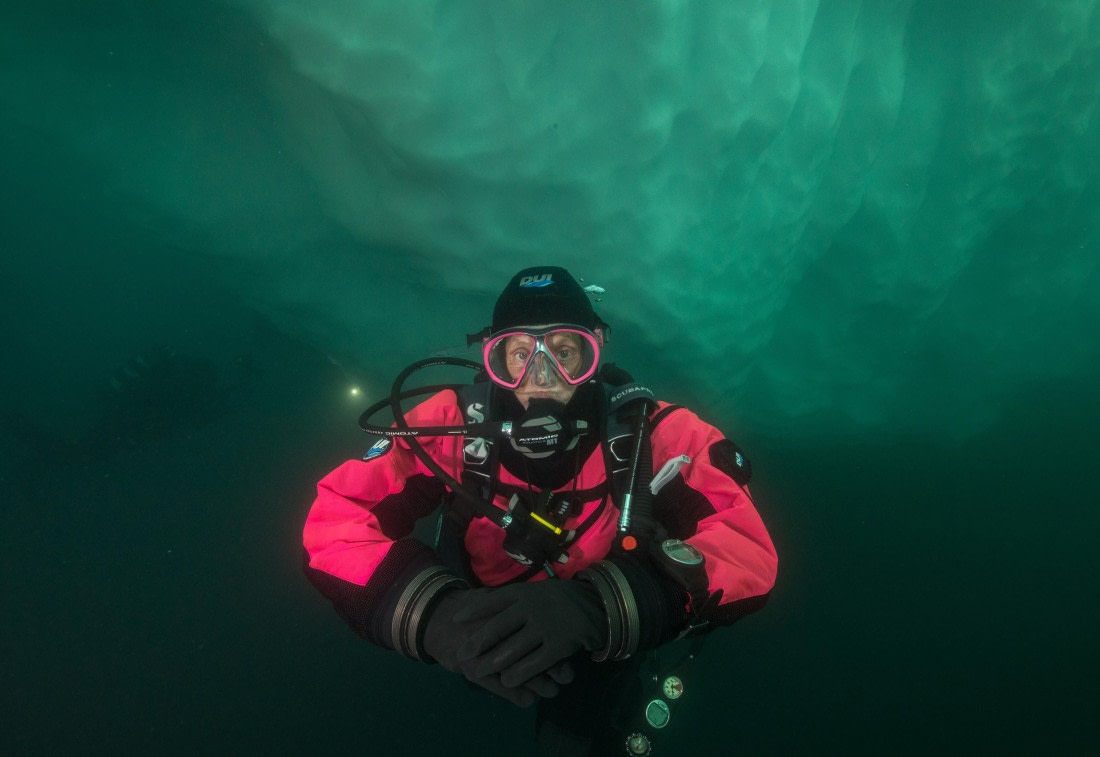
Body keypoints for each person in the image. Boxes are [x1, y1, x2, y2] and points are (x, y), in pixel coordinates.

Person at [302, 266, 777, 755]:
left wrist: (599, 607)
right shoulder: (450, 427)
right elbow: (335, 518)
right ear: (494, 361)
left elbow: (746, 548)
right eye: (520, 355)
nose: (543, 378)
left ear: (596, 349)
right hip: (473, 636)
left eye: (566, 353)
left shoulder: (657, 437)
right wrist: (431, 615)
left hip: (598, 647)